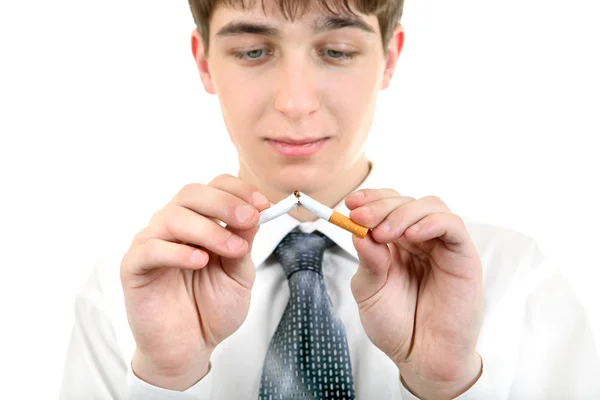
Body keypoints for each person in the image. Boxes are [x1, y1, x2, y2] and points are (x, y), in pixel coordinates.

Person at [59, 0, 600, 399]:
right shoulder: (126, 291)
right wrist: (168, 380)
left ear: (390, 58)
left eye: (337, 51)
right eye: (252, 51)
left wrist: (447, 387)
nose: (295, 102)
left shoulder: (517, 278)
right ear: (204, 63)